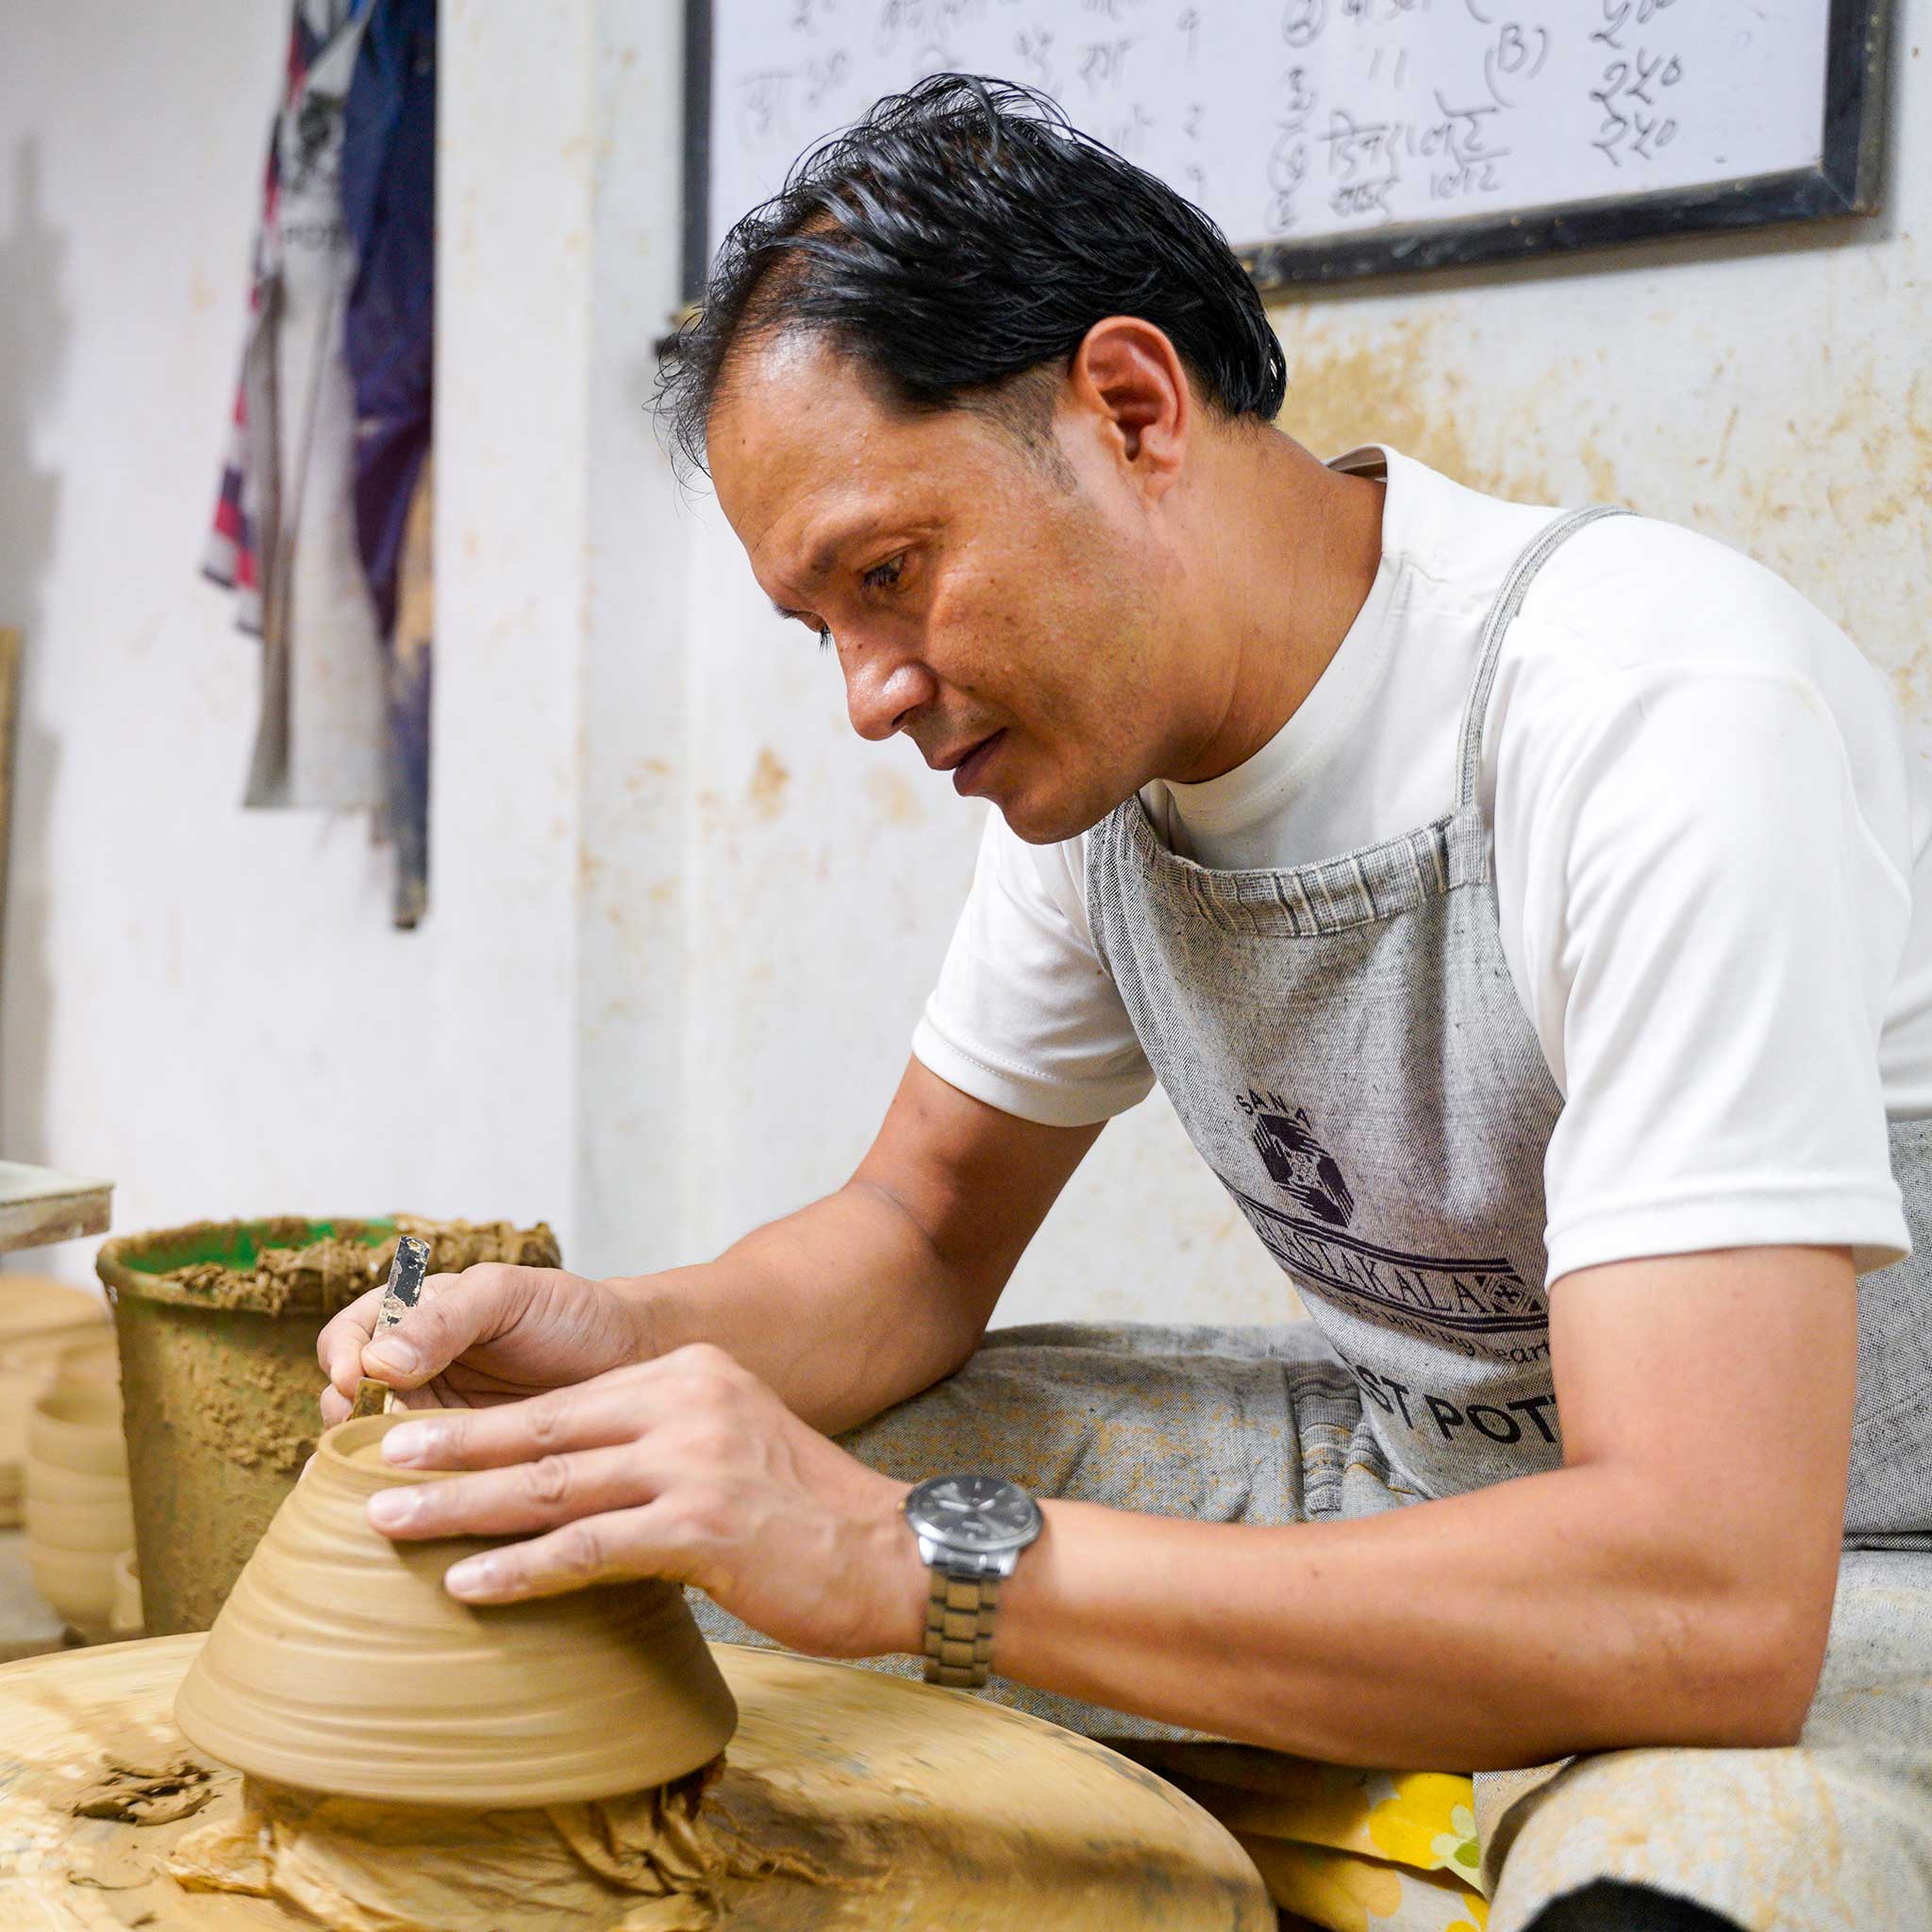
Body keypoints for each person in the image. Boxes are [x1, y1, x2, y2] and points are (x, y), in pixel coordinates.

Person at [318, 77, 1932, 1931]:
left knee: (1669, 1900)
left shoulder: (1650, 710)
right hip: (1405, 1456)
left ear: (1132, 410)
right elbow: (915, 1237)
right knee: (599, 1532)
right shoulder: (1097, 764)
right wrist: (612, 1337)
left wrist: (892, 1556)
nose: (866, 693)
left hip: (1836, 1550)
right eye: (819, 623)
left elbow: (1709, 1594)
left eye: (888, 576)